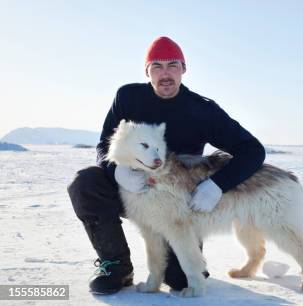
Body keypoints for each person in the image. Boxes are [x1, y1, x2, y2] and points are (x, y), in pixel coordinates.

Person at [67, 36, 265, 294]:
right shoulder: (128, 97)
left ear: (184, 69)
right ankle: (116, 266)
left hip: (176, 205)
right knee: (85, 182)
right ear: (147, 71)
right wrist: (117, 171)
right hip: (132, 193)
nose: (165, 73)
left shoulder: (202, 110)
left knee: (181, 280)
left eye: (173, 65)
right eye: (157, 66)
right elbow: (104, 146)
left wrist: (217, 185)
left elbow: (253, 150)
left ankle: (186, 265)